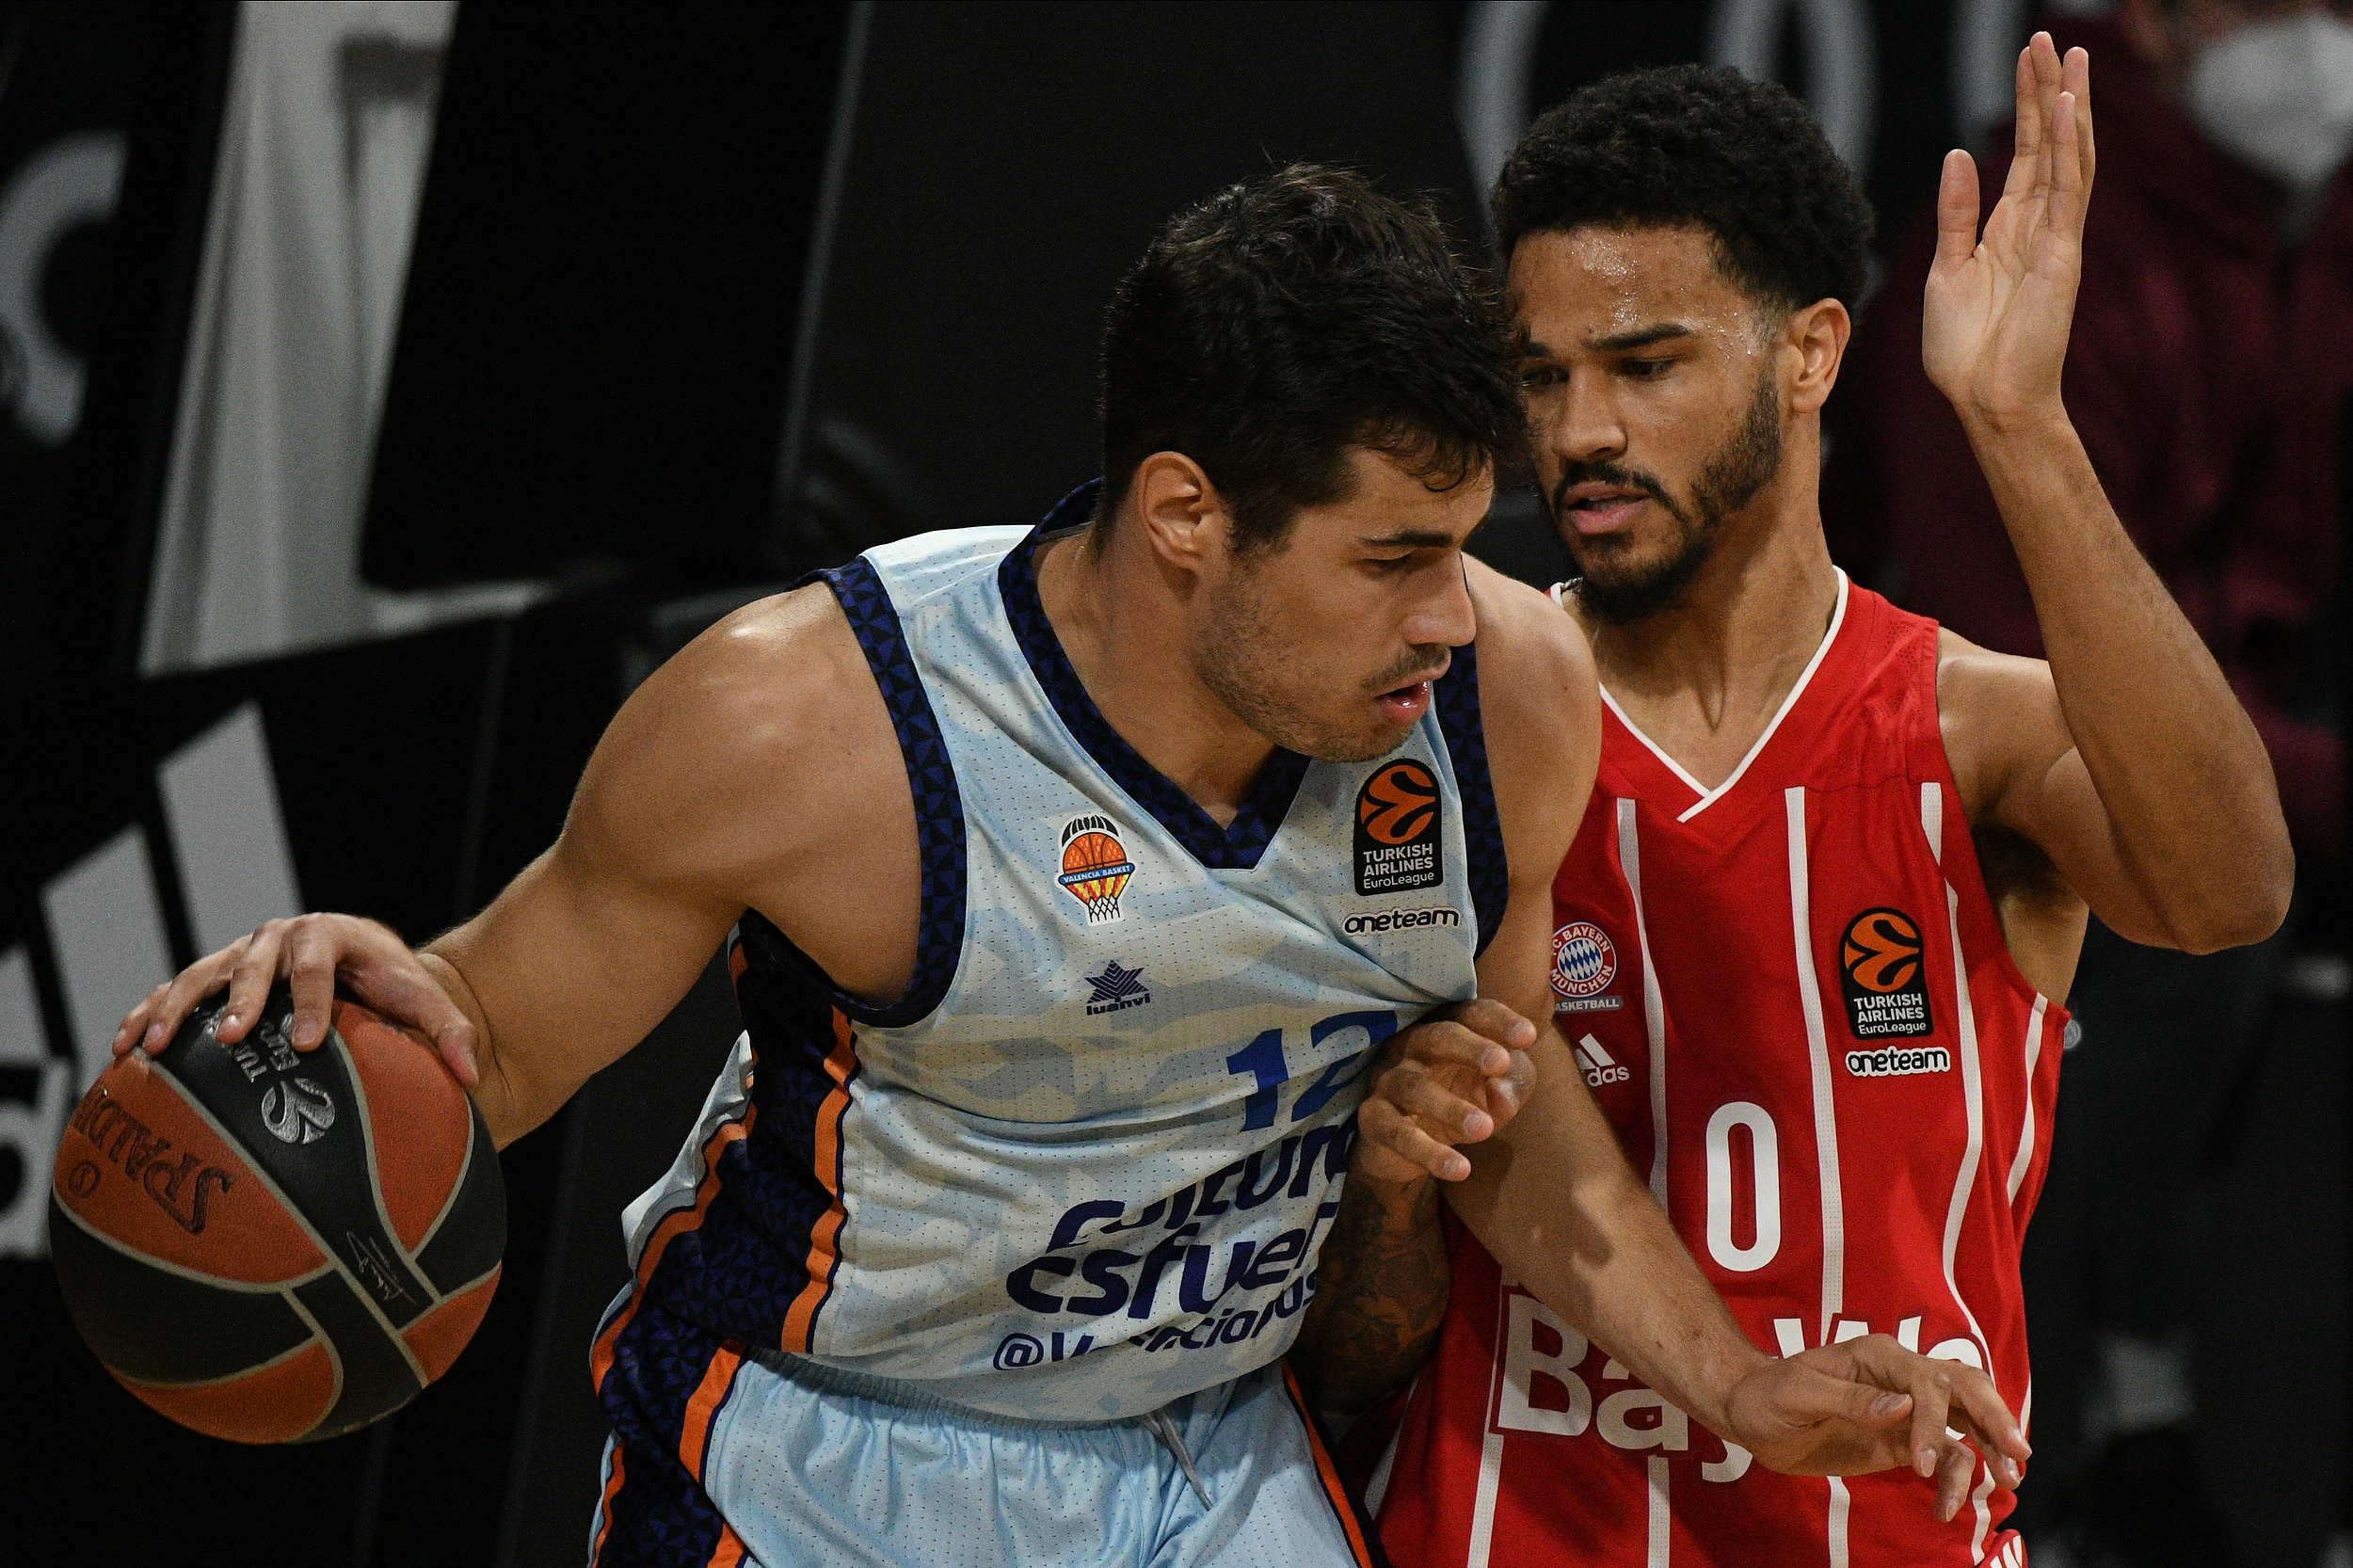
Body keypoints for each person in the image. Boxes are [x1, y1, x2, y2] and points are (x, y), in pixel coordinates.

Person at [111, 168, 2021, 1567]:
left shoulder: (1502, 698)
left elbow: (1498, 1106)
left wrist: (1732, 1379)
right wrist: (392, 995)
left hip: (1209, 1453)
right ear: (1186, 513)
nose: (1457, 609)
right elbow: (500, 1029)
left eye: (1464, 541)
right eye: (1391, 557)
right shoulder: (811, 724)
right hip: (836, 1454)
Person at [1302, 39, 2291, 1568]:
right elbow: (1373, 1299)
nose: (1580, 432)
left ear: (1813, 352)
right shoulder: (1446, 718)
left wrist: (2021, 426)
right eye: (1543, 376)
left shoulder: (1974, 729)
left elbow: (2231, 892)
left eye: (1645, 366)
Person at [1823, 5, 2351, 1554]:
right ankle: (2128, 1414)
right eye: (2272, 0)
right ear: (2159, 18)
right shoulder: (2036, 248)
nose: (2317, 40)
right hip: (2007, 736)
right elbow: (2012, 644)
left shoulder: (2315, 224)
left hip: (2274, 717)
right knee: (2188, 912)